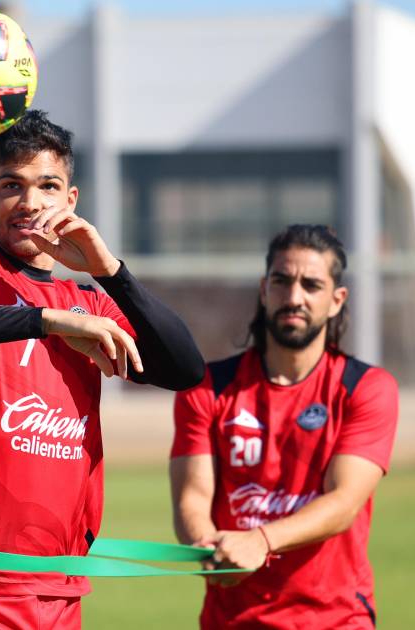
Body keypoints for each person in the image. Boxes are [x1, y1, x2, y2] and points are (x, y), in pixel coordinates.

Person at [0, 110, 205, 628]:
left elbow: (183, 368)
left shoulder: (88, 301)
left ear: (70, 200)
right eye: (12, 185)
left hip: (56, 595)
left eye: (48, 186)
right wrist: (44, 322)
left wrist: (110, 273)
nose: (30, 202)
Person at [170, 224, 399, 629]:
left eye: (311, 285)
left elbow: (344, 503)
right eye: (282, 281)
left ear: (336, 300)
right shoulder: (206, 387)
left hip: (336, 619)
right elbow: (192, 499)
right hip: (231, 619)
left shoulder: (366, 388)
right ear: (264, 290)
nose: (294, 297)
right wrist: (208, 547)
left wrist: (260, 540)